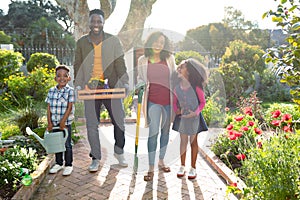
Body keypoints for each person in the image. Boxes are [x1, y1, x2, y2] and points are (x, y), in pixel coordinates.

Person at [74, 9, 129, 171]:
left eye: (99, 21)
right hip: (90, 88)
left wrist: (124, 82)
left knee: (119, 122)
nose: (96, 24)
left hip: (111, 87)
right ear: (89, 23)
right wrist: (79, 84)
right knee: (92, 125)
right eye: (93, 21)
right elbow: (77, 65)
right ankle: (96, 158)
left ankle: (119, 152)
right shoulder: (82, 43)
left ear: (103, 23)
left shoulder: (113, 41)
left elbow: (120, 63)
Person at [136, 31, 176, 181]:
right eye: (156, 41)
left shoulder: (170, 58)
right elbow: (140, 77)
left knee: (165, 132)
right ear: (150, 43)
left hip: (168, 101)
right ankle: (151, 167)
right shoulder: (143, 60)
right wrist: (140, 85)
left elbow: (175, 77)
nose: (159, 45)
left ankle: (161, 160)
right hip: (152, 100)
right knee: (153, 133)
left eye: (161, 42)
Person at [172, 58, 209, 179]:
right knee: (183, 141)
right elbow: (174, 102)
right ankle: (182, 166)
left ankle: (193, 168)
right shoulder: (177, 88)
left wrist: (195, 113)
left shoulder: (196, 87)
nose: (179, 68)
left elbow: (202, 102)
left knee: (193, 142)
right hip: (182, 118)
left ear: (188, 71)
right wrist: (177, 111)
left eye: (182, 67)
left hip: (194, 119)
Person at [46, 65, 75, 176]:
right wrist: (49, 122)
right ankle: (58, 163)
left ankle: (68, 165)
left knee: (67, 144)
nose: (61, 78)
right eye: (59, 76)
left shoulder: (70, 91)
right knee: (57, 143)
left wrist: (63, 121)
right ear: (55, 78)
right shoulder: (51, 91)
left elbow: (70, 106)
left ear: (69, 78)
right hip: (54, 122)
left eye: (65, 76)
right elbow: (48, 107)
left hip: (66, 123)